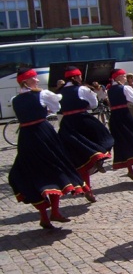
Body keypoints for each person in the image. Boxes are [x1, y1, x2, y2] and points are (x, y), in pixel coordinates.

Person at [8, 68, 90, 229]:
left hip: (26, 137)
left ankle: (46, 215)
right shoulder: (42, 94)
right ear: (27, 81)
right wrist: (45, 109)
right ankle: (54, 212)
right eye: (35, 78)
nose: (37, 80)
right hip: (43, 133)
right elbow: (56, 106)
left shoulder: (15, 99)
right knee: (55, 167)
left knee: (35, 171)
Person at [58, 67, 114, 203]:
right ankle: (99, 161)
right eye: (79, 76)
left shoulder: (58, 92)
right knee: (105, 138)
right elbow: (93, 104)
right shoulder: (82, 89)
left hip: (67, 124)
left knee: (78, 157)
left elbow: (57, 108)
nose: (81, 79)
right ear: (75, 77)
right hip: (82, 120)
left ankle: (87, 187)